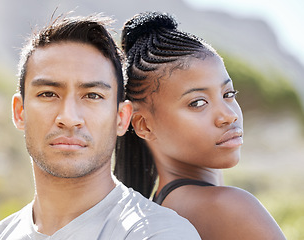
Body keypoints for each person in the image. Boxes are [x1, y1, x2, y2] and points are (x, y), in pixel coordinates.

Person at [0, 13, 201, 239]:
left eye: (92, 95)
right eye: (48, 94)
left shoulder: (158, 232)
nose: (69, 117)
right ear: (19, 112)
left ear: (121, 118)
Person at [115, 12, 286, 239]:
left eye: (228, 94)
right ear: (143, 125)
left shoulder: (161, 209)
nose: (228, 116)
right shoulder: (229, 208)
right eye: (198, 103)